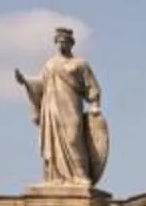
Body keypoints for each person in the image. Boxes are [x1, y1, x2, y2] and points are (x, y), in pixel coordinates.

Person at [14, 28, 106, 186]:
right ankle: (55, 176)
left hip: (71, 106)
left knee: (73, 137)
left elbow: (92, 86)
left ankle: (80, 174)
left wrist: (94, 104)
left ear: (71, 44)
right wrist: (25, 81)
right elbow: (41, 83)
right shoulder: (50, 64)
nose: (61, 44)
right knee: (53, 142)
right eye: (58, 41)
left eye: (64, 41)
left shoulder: (80, 64)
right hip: (51, 108)